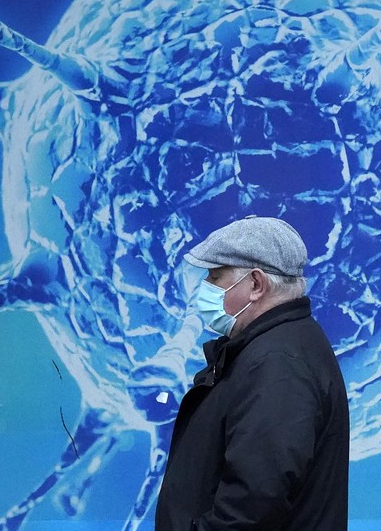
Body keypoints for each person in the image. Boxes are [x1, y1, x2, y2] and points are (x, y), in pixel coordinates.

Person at [155, 215, 349, 531]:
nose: (204, 289)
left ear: (256, 285)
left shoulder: (279, 366)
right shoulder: (276, 349)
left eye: (215, 277)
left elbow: (250, 508)